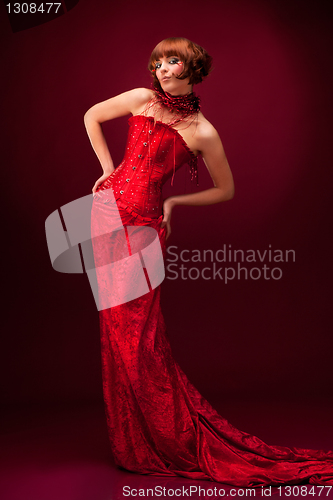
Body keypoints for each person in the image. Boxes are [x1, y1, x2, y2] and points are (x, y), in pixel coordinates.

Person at [84, 38, 333, 487]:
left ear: (192, 68)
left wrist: (175, 206)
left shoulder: (202, 130)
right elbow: (92, 116)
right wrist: (107, 168)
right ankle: (133, 444)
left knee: (140, 335)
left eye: (171, 61)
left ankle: (169, 438)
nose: (161, 69)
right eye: (157, 61)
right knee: (113, 332)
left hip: (144, 224)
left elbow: (227, 189)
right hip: (105, 214)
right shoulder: (141, 100)